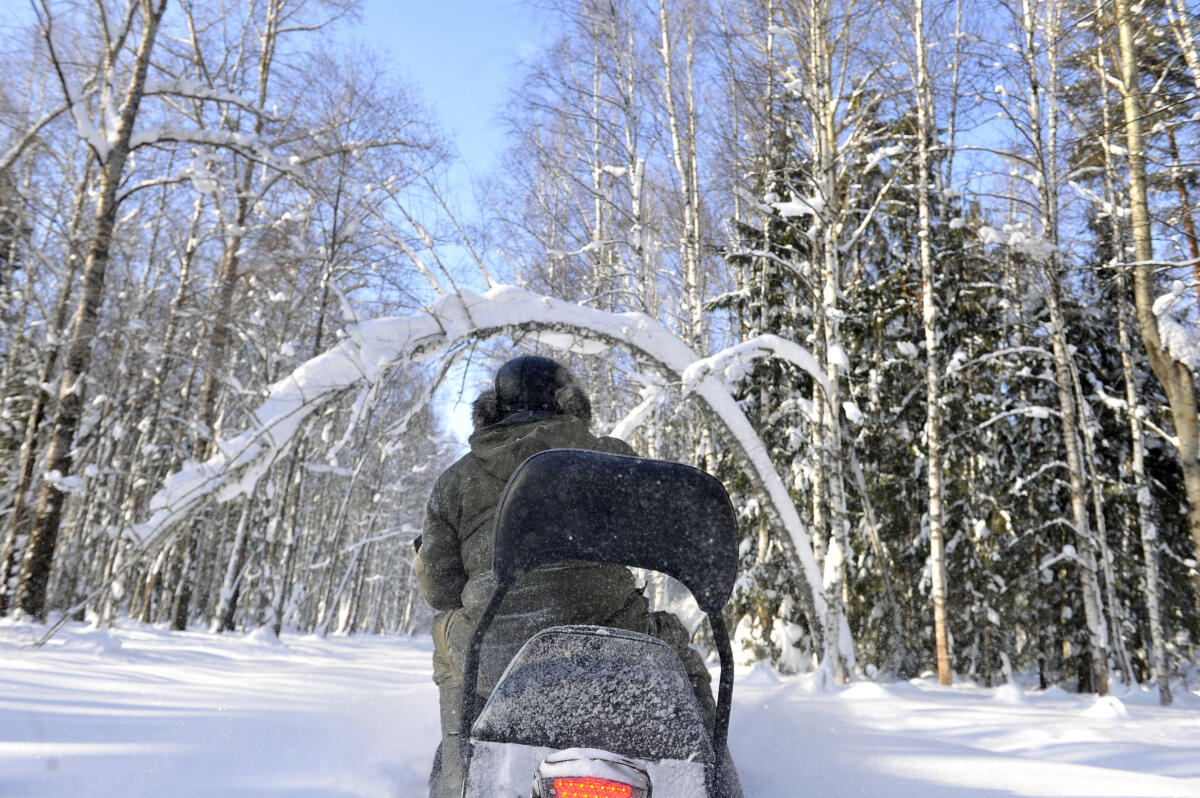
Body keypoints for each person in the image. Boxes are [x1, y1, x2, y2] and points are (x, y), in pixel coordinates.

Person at [414, 355, 717, 798]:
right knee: (676, 641)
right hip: (616, 650)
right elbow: (670, 535)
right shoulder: (611, 458)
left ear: (493, 410)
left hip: (496, 661)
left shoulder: (457, 480)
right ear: (569, 402)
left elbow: (439, 590)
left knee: (447, 635)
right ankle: (718, 778)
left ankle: (457, 780)